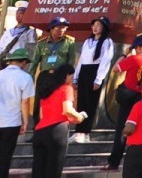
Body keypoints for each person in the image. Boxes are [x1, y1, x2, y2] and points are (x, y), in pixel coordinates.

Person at [105, 33, 142, 172]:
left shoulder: (134, 59)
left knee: (122, 130)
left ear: (138, 47)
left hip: (129, 98)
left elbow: (115, 69)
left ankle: (114, 163)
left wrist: (124, 55)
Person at [31, 61, 85, 178]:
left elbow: (42, 115)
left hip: (40, 131)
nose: (72, 79)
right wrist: (79, 116)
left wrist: (70, 118)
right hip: (56, 132)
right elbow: (68, 110)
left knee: (38, 171)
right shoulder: (66, 88)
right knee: (53, 170)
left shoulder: (46, 91)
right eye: (71, 76)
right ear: (66, 75)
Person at [75, 15, 115, 136]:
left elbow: (105, 61)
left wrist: (98, 79)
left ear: (104, 28)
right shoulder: (88, 41)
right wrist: (76, 77)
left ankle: (86, 132)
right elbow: (81, 60)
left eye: (99, 26)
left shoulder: (107, 42)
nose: (95, 28)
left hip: (95, 71)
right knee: (81, 102)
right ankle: (78, 131)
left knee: (90, 103)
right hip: (84, 71)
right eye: (94, 25)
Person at [0, 47, 34, 177]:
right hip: (11, 122)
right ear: (24, 62)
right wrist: (25, 122)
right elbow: (25, 103)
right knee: (5, 155)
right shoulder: (25, 78)